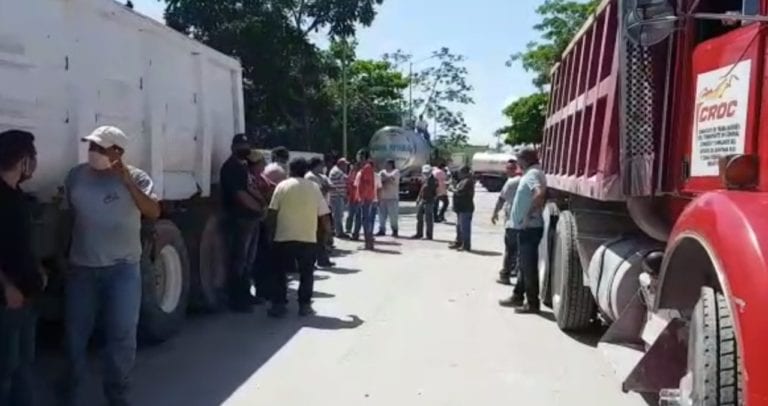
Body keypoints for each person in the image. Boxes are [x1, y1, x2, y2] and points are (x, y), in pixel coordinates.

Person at [64, 126, 161, 405]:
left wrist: (128, 183)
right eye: (91, 146)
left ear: (117, 152)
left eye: (100, 147)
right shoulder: (76, 176)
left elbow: (153, 211)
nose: (93, 152)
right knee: (75, 334)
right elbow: (70, 217)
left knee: (121, 333)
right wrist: (63, 255)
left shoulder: (138, 178)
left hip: (123, 270)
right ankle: (72, 387)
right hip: (82, 268)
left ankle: (117, 390)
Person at [0, 130, 45, 406]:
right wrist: (6, 287)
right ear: (22, 160)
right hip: (7, 300)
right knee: (6, 367)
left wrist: (36, 269)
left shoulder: (17, 194)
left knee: (23, 365)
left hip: (26, 295)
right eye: (33, 157)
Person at [266, 158, 331, 317]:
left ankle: (279, 305)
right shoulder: (314, 188)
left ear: (290, 170)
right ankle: (304, 306)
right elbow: (324, 214)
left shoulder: (282, 186)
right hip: (307, 237)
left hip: (283, 236)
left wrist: (270, 234)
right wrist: (328, 233)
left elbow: (272, 212)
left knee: (279, 272)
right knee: (306, 273)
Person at [219, 134, 265, 312]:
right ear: (233, 147)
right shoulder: (230, 168)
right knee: (238, 260)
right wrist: (259, 209)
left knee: (247, 260)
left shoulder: (243, 167)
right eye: (241, 145)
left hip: (250, 219)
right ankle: (237, 300)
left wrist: (261, 204)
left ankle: (246, 295)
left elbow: (250, 189)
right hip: (239, 219)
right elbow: (240, 195)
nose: (245, 148)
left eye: (246, 144)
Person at [498, 148, 547, 314]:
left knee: (528, 266)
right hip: (525, 227)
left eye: (518, 159)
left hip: (529, 228)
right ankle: (518, 295)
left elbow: (539, 194)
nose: (517, 163)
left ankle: (532, 304)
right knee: (523, 266)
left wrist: (528, 215)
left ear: (525, 160)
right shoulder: (531, 173)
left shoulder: (533, 174)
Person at [246, 150, 271, 304]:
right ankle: (259, 291)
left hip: (261, 221)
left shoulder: (259, 178)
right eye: (261, 163)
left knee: (261, 257)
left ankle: (263, 291)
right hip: (257, 220)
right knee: (254, 258)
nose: (264, 165)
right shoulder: (252, 179)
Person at [492, 159, 522, 286]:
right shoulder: (526, 181)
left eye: (511, 168)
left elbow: (501, 199)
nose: (508, 171)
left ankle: (505, 274)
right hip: (525, 222)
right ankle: (514, 271)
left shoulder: (511, 182)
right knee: (518, 249)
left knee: (510, 249)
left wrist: (495, 213)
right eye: (507, 168)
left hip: (512, 221)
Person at [306, 157, 335, 268]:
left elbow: (330, 187)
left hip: (324, 206)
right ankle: (314, 261)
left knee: (323, 235)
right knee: (315, 235)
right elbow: (318, 190)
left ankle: (323, 259)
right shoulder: (310, 177)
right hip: (314, 209)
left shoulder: (322, 176)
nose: (322, 167)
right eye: (320, 165)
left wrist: (326, 188)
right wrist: (326, 188)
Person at [354, 149, 377, 250]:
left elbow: (367, 184)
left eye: (359, 156)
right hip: (365, 198)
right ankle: (368, 243)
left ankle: (368, 243)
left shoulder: (367, 168)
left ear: (363, 157)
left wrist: (363, 198)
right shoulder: (365, 168)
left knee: (366, 220)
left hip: (366, 199)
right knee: (365, 220)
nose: (358, 158)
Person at [449, 166, 475, 252]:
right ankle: (459, 242)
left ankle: (466, 245)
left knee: (465, 228)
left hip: (465, 208)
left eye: (460, 172)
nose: (459, 174)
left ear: (465, 173)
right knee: (459, 227)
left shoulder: (467, 181)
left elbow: (460, 192)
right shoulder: (462, 181)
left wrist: (452, 189)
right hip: (460, 208)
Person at [412, 165, 438, 240]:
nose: (425, 174)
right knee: (419, 217)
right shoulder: (425, 179)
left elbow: (435, 192)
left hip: (429, 201)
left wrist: (433, 199)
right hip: (422, 200)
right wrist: (418, 198)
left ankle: (429, 235)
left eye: (427, 172)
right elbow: (422, 189)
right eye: (424, 172)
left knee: (428, 218)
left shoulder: (433, 180)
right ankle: (419, 233)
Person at [377, 159, 400, 237]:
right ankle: (381, 230)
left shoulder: (396, 171)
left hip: (392, 198)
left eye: (388, 164)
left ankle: (395, 230)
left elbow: (392, 178)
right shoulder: (382, 172)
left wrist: (385, 177)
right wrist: (385, 178)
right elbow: (379, 180)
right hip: (382, 197)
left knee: (393, 216)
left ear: (391, 164)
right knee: (381, 216)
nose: (386, 165)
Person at [328, 158, 350, 239]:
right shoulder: (337, 171)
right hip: (337, 196)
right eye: (345, 165)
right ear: (341, 164)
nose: (346, 167)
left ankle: (337, 231)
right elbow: (348, 179)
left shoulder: (336, 170)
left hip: (337, 196)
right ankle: (339, 232)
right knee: (338, 215)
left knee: (338, 215)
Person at [345, 161, 362, 236]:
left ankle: (356, 232)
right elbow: (348, 183)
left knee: (358, 216)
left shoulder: (361, 173)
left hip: (358, 198)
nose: (354, 166)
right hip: (351, 197)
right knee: (350, 214)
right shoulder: (351, 172)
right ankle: (348, 229)